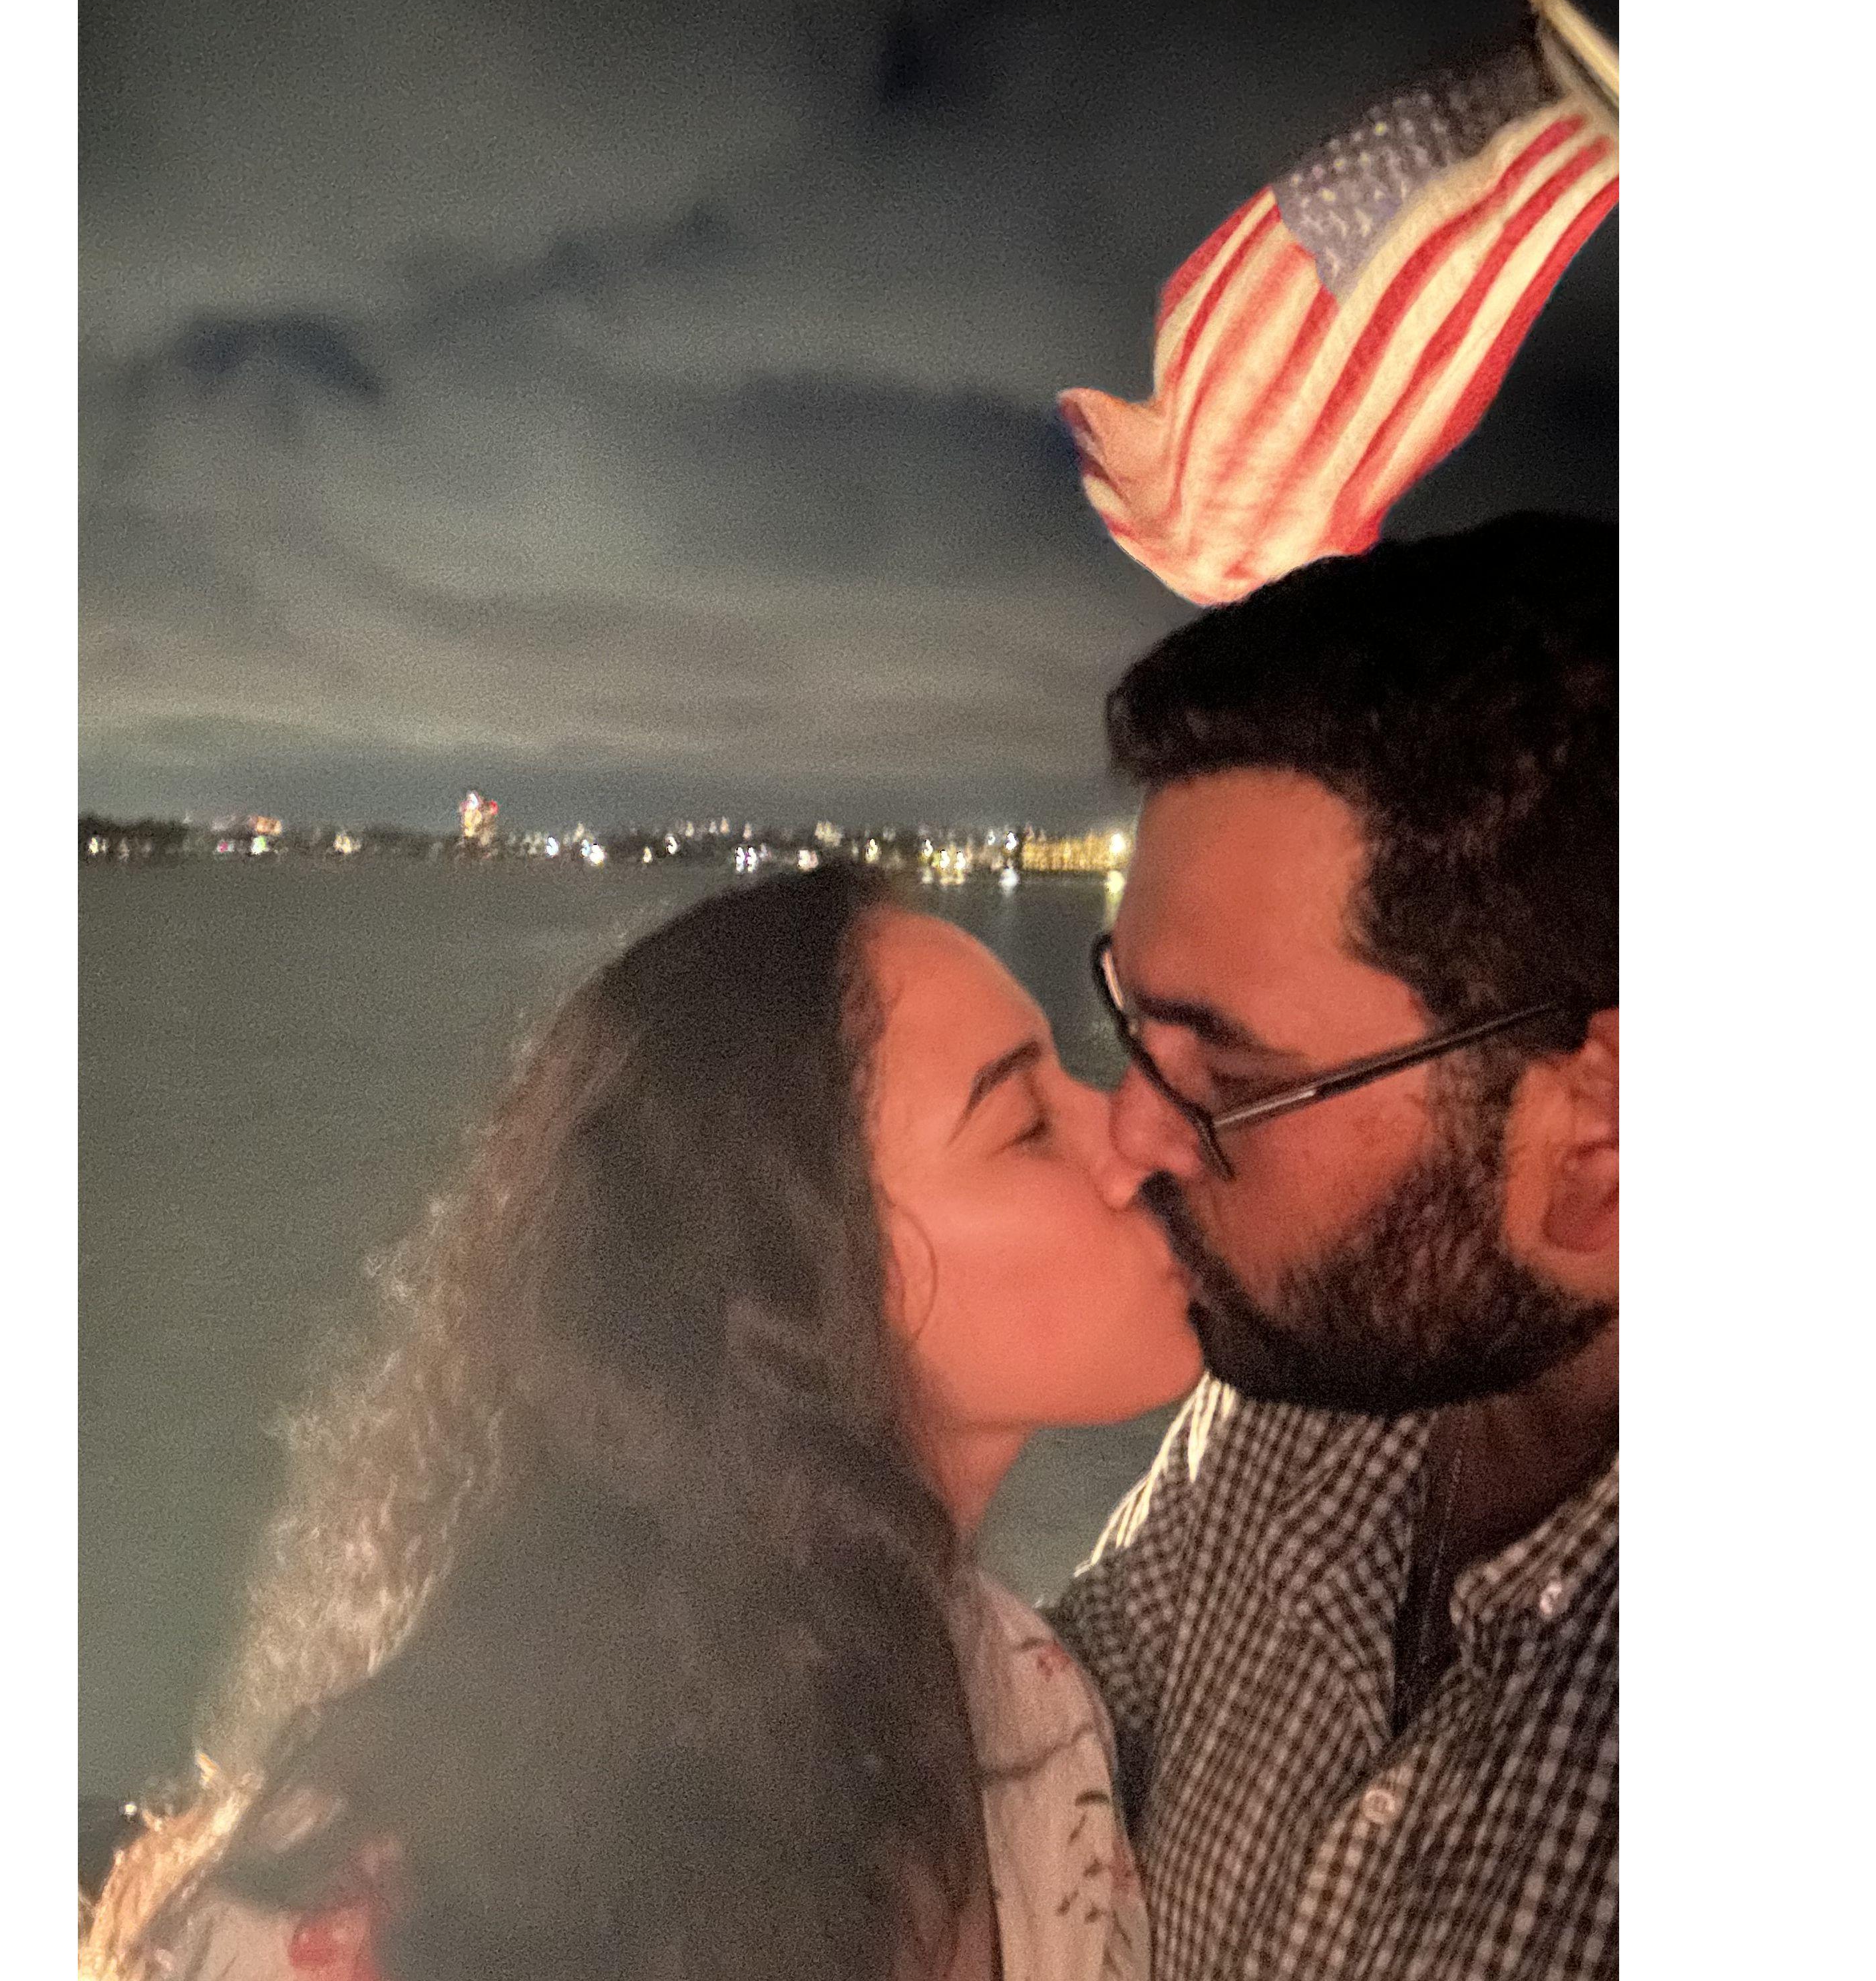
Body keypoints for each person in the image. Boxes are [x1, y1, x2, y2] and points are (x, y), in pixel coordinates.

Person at [82, 864, 1201, 1981]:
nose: (1144, 1134)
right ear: (800, 1278)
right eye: (1027, 1124)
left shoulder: (1030, 1707)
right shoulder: (408, 1897)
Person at [1051, 512, 1618, 1980]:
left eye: (1230, 1074)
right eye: (1131, 1022)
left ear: (1599, 1135)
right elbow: (1040, 1735)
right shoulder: (1302, 1387)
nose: (1128, 1136)